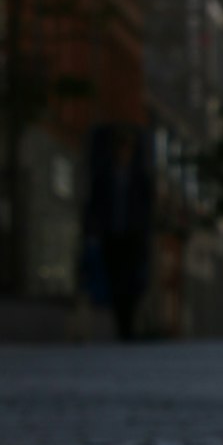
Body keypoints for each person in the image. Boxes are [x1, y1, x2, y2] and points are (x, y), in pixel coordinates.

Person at [83, 123, 152, 341]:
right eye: (120, 148)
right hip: (111, 236)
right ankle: (122, 326)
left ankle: (127, 325)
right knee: (115, 280)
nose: (123, 153)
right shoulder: (105, 176)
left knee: (131, 282)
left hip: (132, 237)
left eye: (127, 148)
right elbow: (94, 205)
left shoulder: (139, 177)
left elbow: (146, 207)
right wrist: (93, 231)